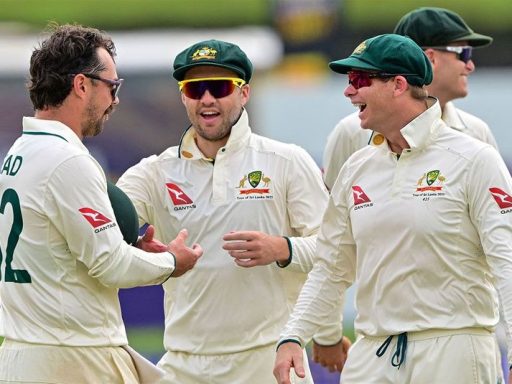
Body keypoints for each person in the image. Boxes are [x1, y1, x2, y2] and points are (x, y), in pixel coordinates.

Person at [273, 33, 512, 384]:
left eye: (359, 80)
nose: (348, 91)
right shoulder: (357, 167)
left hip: (455, 348)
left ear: (398, 84)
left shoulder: (474, 158)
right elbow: (331, 267)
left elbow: (506, 261)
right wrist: (293, 335)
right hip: (373, 353)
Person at [116, 39, 349, 384]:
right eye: (195, 89)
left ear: (244, 93)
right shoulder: (154, 172)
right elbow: (98, 231)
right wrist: (139, 252)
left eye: (220, 87)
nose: (207, 99)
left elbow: (337, 249)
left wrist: (282, 249)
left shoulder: (286, 161)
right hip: (184, 364)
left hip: (271, 360)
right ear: (183, 97)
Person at [0, 23, 202, 384]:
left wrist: (137, 251)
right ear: (81, 85)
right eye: (112, 87)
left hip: (20, 354)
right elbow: (110, 264)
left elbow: (58, 249)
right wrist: (171, 262)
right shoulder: (67, 161)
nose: (116, 100)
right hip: (72, 358)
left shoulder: (18, 153)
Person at [322, 7, 496, 191]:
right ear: (430, 58)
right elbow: (333, 211)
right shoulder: (352, 132)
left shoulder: (477, 132)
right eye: (464, 53)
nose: (470, 65)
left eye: (360, 79)